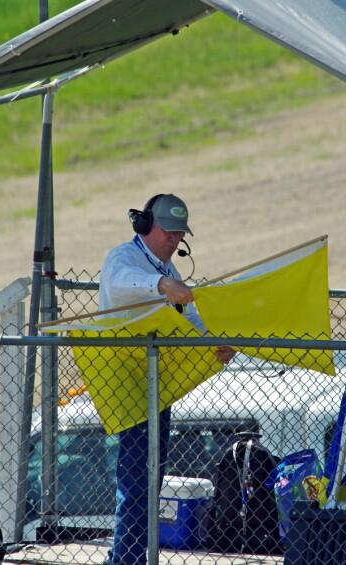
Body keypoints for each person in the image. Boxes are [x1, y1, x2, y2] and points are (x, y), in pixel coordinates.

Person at [99, 193, 234, 565]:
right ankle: (125, 560)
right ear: (145, 227)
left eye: (179, 234)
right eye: (169, 232)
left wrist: (216, 341)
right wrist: (161, 285)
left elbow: (189, 321)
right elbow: (122, 282)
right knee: (136, 483)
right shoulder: (123, 259)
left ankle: (126, 558)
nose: (175, 241)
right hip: (127, 382)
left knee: (148, 481)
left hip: (154, 385)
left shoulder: (169, 273)